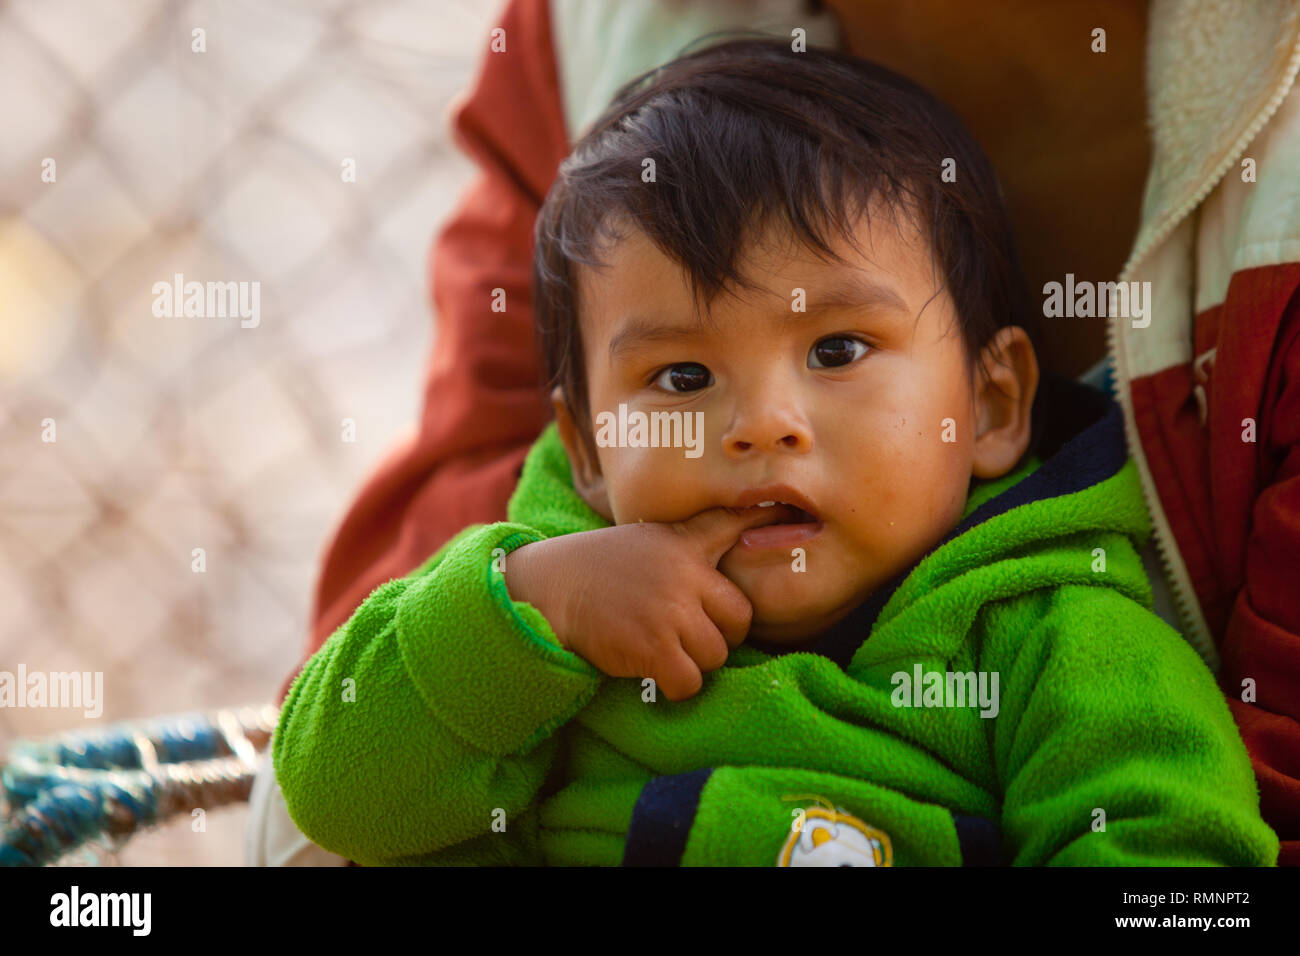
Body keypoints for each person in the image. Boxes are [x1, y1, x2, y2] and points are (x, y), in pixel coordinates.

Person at [259, 0, 1300, 865]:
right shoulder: (549, 603)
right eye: (680, 375)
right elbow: (331, 787)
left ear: (990, 405)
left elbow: (1175, 858)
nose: (760, 425)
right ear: (582, 446)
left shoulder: (1050, 632)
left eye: (838, 352)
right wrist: (526, 610)